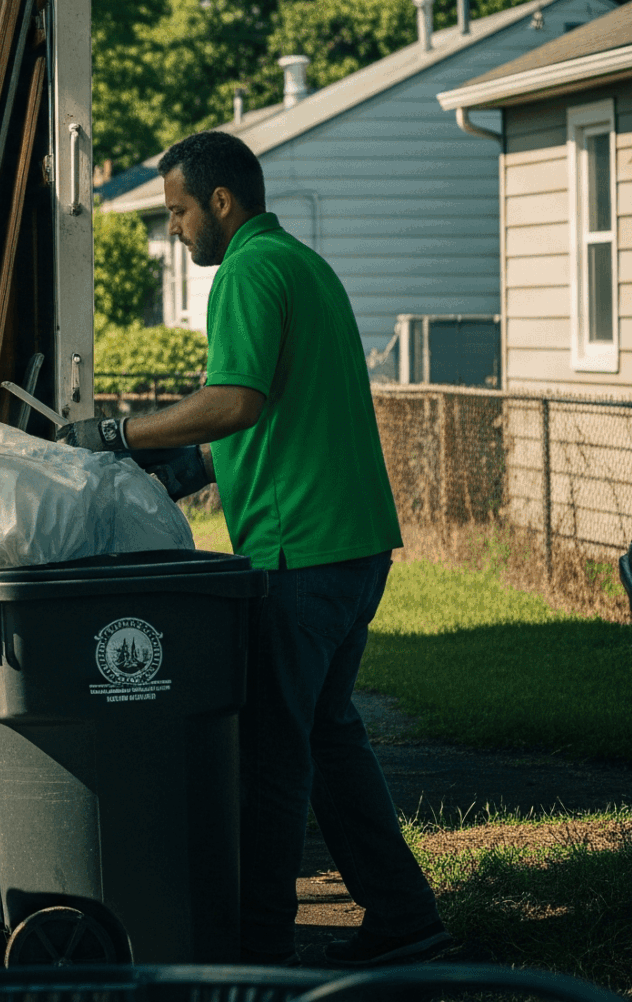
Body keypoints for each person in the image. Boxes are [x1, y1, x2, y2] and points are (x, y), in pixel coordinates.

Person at [96, 130, 448, 967]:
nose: (176, 230)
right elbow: (273, 417)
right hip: (354, 545)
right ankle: (407, 919)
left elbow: (236, 402)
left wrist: (119, 436)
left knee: (273, 758)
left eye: (179, 211)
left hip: (301, 555)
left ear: (223, 201)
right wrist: (177, 470)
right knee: (329, 736)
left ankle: (258, 946)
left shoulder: (249, 270)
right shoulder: (303, 265)